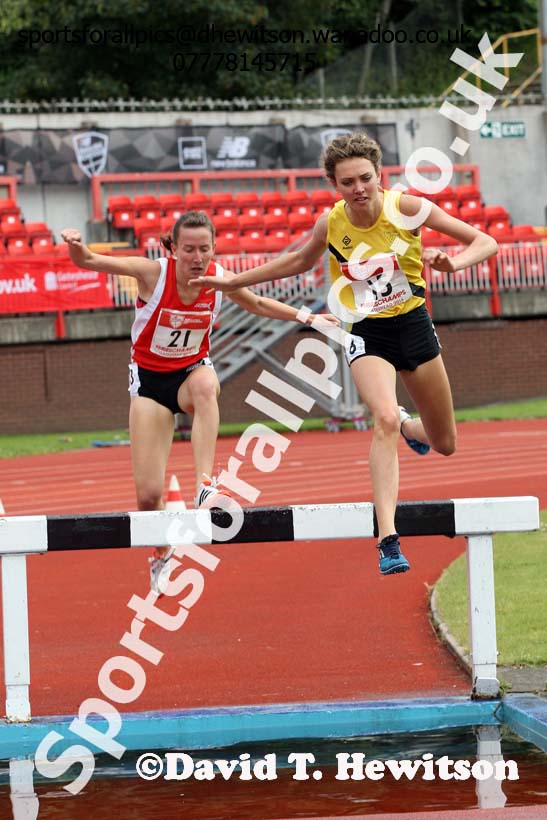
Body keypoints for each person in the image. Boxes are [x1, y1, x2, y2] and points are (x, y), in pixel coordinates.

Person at [190, 132, 499, 576]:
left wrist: (455, 262)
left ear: (379, 176)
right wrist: (232, 281)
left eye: (365, 178)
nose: (358, 189)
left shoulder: (406, 208)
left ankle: (414, 428)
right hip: (366, 331)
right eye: (347, 182)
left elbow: (484, 241)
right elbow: (296, 262)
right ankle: (388, 538)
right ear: (334, 184)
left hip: (413, 326)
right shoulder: (331, 223)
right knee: (384, 419)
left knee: (445, 442)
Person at [61, 211, 338, 592]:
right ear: (172, 248)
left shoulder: (218, 279)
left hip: (191, 375)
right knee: (148, 496)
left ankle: (205, 486)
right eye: (188, 249)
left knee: (208, 385)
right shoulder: (152, 274)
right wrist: (77, 246)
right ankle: (160, 553)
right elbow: (90, 261)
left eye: (204, 249)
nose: (197, 257)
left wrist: (307, 318)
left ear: (213, 248)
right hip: (150, 385)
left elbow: (256, 304)